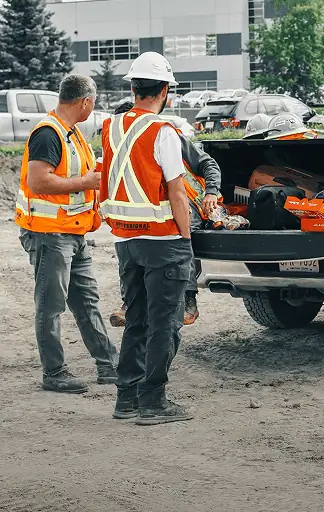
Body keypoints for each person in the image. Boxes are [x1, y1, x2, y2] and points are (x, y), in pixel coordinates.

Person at [99, 52, 194, 425]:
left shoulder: (111, 126)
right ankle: (153, 401)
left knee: (137, 318)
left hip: (126, 239)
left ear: (134, 87)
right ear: (165, 91)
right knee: (164, 323)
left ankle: (127, 398)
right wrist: (186, 240)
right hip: (163, 241)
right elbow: (178, 192)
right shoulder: (162, 131)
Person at [16, 74, 119, 393]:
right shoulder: (49, 134)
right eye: (94, 102)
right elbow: (38, 182)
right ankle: (54, 373)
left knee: (87, 300)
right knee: (51, 305)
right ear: (85, 101)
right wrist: (85, 183)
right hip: (49, 234)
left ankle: (109, 365)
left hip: (72, 233)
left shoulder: (70, 133)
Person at [108, 100, 221, 327]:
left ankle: (188, 300)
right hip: (146, 213)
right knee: (130, 249)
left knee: (182, 236)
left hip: (184, 206)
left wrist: (211, 192)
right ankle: (130, 303)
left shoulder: (165, 135)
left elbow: (207, 164)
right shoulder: (117, 143)